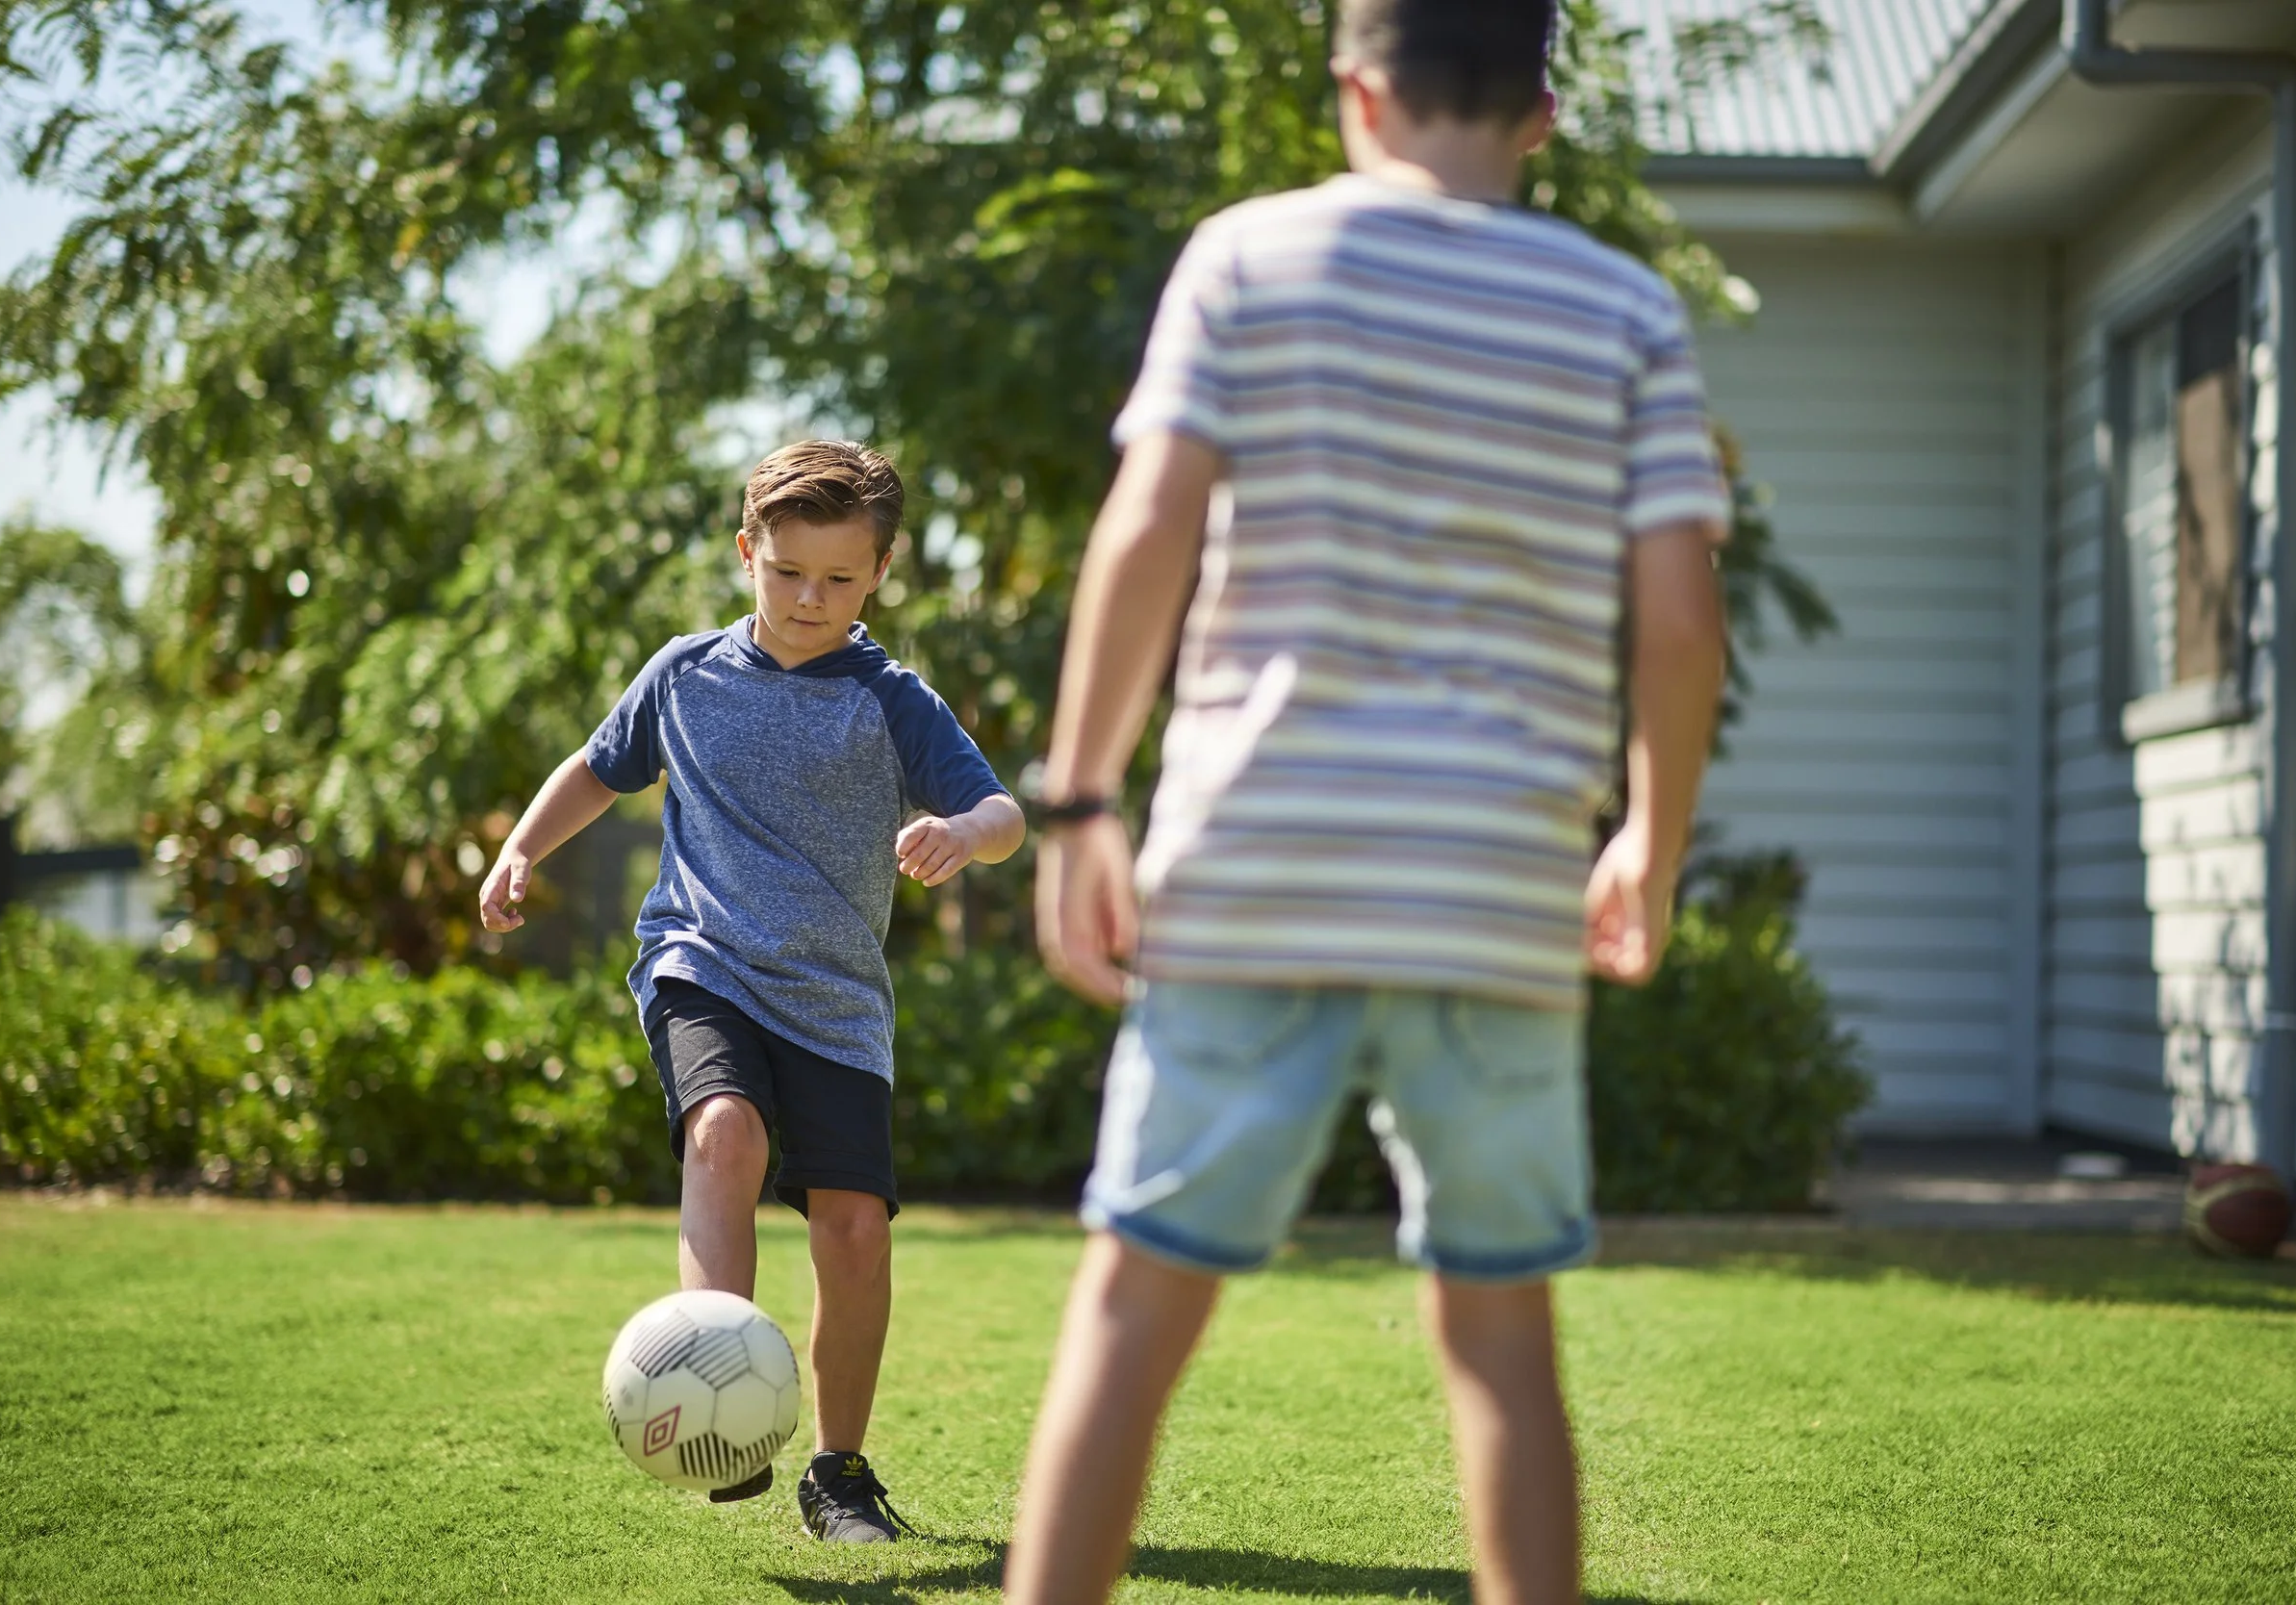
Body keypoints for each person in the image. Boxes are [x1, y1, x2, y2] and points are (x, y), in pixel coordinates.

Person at [1007, 0, 1730, 1598]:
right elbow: (1684, 622)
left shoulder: (1247, 259)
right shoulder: (1624, 311)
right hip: (1494, 894)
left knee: (1131, 1313)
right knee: (1501, 1335)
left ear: (1356, 92)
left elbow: (1146, 532)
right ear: (1541, 113)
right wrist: (1652, 842)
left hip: (1252, 870)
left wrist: (1080, 803)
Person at [477, 439, 1025, 1542]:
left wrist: (965, 834)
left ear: (879, 573)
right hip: (703, 960)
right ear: (746, 553)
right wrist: (520, 850)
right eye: (787, 572)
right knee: (722, 1132)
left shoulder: (890, 699)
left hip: (835, 1000)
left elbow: (1003, 812)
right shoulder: (684, 675)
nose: (809, 598)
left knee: (854, 1232)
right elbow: (597, 767)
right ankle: (710, 1394)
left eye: (838, 577)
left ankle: (839, 1474)